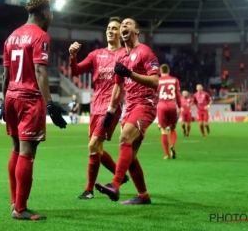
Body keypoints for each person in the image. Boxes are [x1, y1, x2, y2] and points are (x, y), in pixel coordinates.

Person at [0, 0, 67, 221]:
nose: (53, 17)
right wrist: (50, 105)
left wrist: (3, 101)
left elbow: (5, 75)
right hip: (29, 99)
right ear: (45, 13)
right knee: (28, 153)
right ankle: (20, 209)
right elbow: (40, 72)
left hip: (11, 96)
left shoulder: (11, 37)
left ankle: (14, 201)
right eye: (52, 13)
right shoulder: (41, 36)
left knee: (16, 149)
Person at [95, 18, 160, 205]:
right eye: (122, 25)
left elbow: (155, 82)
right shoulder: (122, 58)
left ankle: (115, 185)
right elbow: (118, 88)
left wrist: (130, 74)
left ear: (137, 31)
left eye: (128, 24)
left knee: (124, 139)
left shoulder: (145, 52)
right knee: (130, 157)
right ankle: (143, 196)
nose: (124, 27)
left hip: (144, 104)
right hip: (129, 107)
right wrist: (110, 111)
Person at [68, 17, 129, 200]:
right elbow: (76, 71)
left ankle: (89, 190)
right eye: (109, 28)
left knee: (93, 145)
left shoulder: (125, 55)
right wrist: (72, 56)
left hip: (111, 106)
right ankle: (121, 175)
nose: (110, 31)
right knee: (97, 148)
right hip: (96, 105)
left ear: (120, 33)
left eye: (115, 29)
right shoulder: (96, 54)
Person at [156, 64, 181, 159]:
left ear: (159, 71)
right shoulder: (175, 80)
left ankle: (166, 154)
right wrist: (180, 106)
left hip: (161, 105)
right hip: (172, 105)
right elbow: (178, 94)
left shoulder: (157, 80)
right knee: (173, 129)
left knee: (163, 130)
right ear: (169, 70)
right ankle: (173, 146)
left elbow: (154, 94)